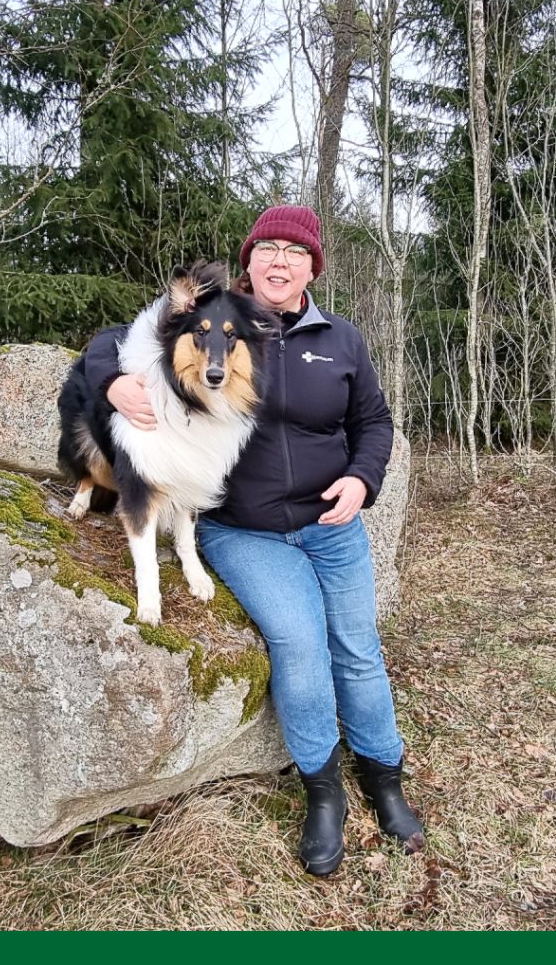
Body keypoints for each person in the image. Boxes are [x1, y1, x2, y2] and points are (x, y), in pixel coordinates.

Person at [82, 205, 424, 875]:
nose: (278, 261)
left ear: (311, 266)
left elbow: (375, 423)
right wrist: (114, 382)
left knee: (357, 646)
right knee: (301, 646)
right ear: (249, 260)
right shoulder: (221, 318)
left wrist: (362, 480)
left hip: (333, 527)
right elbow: (113, 341)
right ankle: (324, 795)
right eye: (266, 248)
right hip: (248, 531)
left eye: (294, 252)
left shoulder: (342, 340)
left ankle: (386, 779)